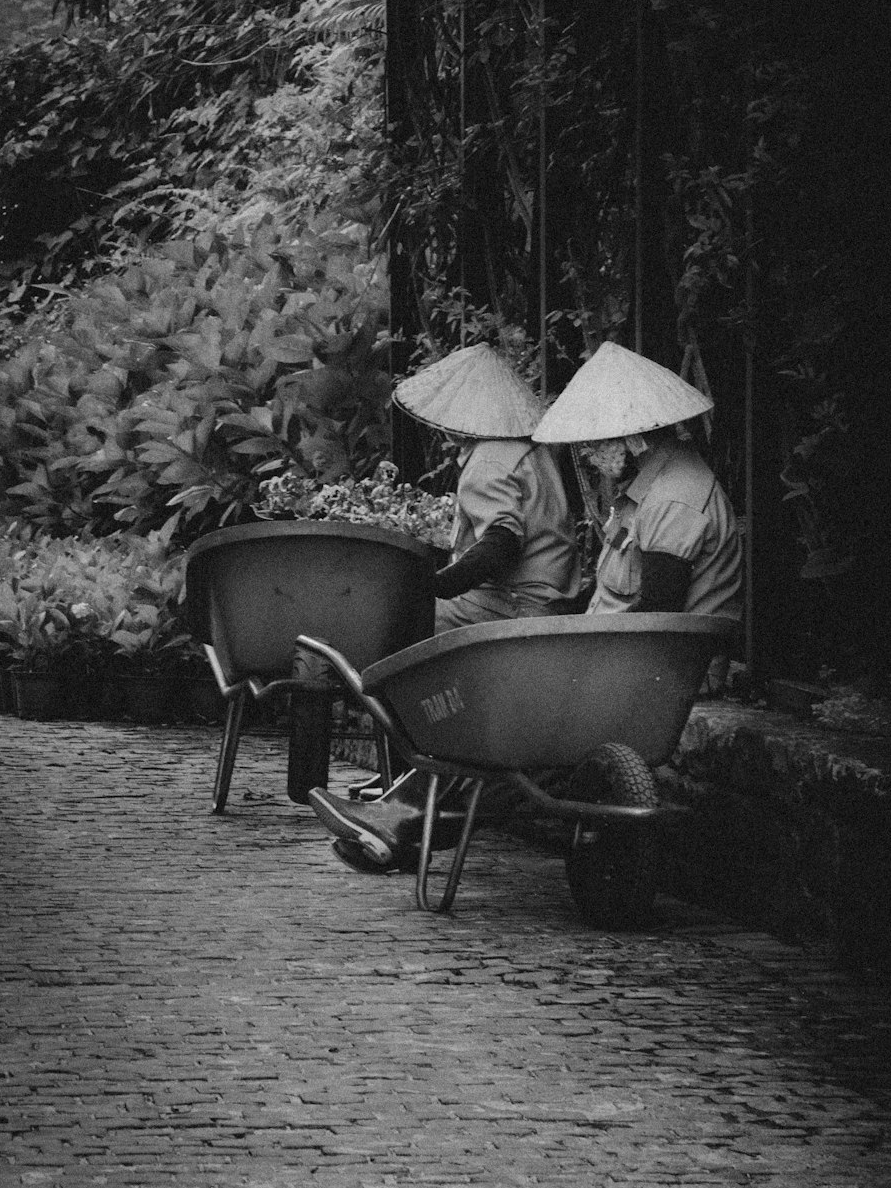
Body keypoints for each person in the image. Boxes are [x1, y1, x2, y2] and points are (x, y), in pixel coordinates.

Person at [307, 343, 581, 870]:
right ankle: (403, 794)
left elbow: (502, 541)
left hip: (510, 608)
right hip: (544, 604)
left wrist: (433, 586)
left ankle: (406, 775)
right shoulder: (531, 451)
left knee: (386, 634)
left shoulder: (489, 459)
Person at [531, 340, 743, 622]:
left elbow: (656, 618)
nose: (590, 453)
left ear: (633, 438)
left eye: (598, 441)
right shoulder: (648, 485)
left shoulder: (671, 499)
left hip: (649, 656)